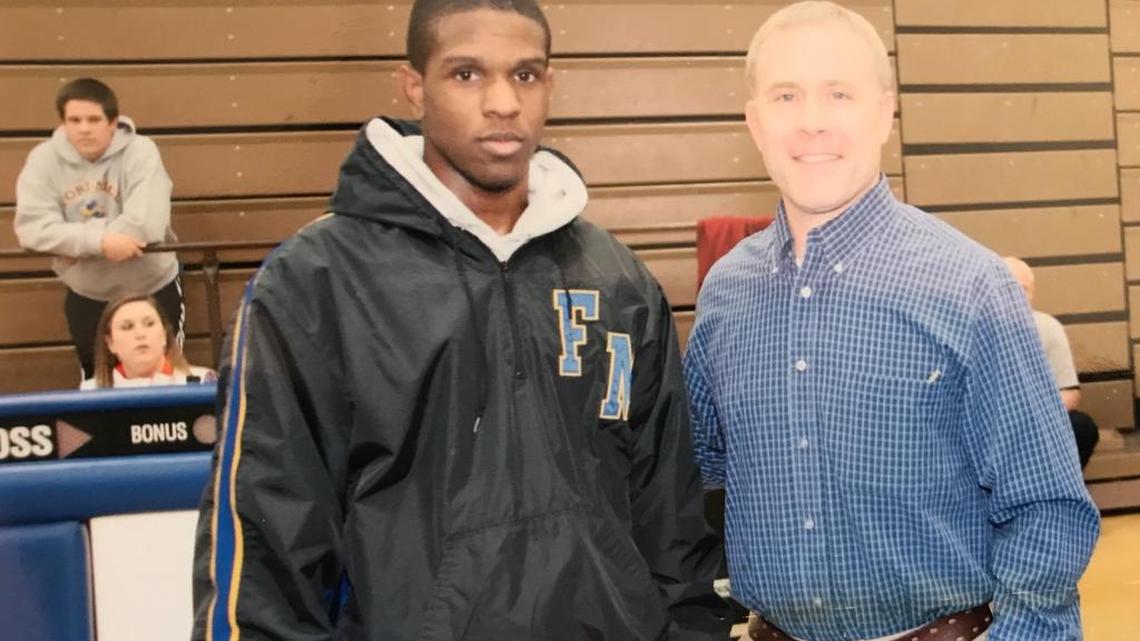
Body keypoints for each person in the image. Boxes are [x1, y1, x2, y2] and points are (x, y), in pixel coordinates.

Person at [191, 1, 728, 639]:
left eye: (525, 75)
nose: (503, 102)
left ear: (550, 85)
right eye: (468, 74)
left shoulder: (620, 281)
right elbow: (263, 550)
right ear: (414, 86)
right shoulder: (313, 284)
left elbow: (673, 529)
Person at [682, 3, 1100, 641]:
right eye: (786, 95)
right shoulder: (725, 293)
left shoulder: (970, 285)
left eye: (839, 93)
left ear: (885, 113)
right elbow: (696, 477)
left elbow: (1048, 507)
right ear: (754, 121)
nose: (813, 122)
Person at [14, 77, 182, 382]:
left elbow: (146, 224)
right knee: (98, 381)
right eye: (74, 120)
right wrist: (102, 242)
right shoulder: (43, 160)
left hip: (151, 288)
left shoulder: (141, 151)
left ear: (113, 123)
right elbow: (32, 229)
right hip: (88, 294)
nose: (84, 128)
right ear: (63, 123)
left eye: (93, 119)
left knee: (164, 379)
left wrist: (72, 242)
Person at [1003, 257, 1100, 468]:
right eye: (1007, 289)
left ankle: (1054, 494)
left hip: (1037, 419)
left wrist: (1031, 417)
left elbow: (1069, 393)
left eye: (1023, 290)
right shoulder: (970, 331)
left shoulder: (1047, 328)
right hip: (990, 427)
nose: (1016, 297)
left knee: (1081, 426)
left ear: (1032, 294)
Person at [80, 294, 215, 389]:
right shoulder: (90, 391)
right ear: (110, 343)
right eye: (127, 327)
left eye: (149, 324)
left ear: (164, 335)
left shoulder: (204, 381)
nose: (140, 334)